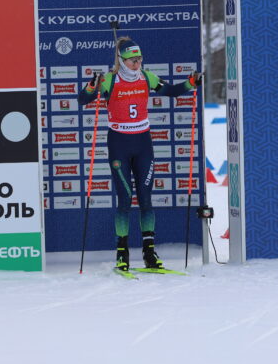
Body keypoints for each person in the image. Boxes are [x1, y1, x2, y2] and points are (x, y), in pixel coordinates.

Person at [77, 37, 202, 273]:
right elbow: (83, 99)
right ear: (121, 60)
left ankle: (149, 252)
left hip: (143, 143)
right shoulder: (110, 79)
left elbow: (171, 91)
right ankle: (122, 253)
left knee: (146, 199)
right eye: (132, 60)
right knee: (124, 200)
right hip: (119, 143)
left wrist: (190, 83)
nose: (137, 64)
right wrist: (92, 86)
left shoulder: (146, 77)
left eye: (139, 59)